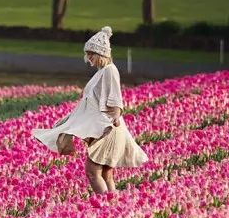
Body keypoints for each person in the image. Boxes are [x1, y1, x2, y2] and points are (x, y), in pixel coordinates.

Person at [32, 26, 149, 194]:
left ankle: (103, 208)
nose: (88, 58)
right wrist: (68, 121)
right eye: (87, 54)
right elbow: (89, 103)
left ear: (100, 54)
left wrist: (116, 115)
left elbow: (116, 98)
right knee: (106, 174)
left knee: (93, 172)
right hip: (104, 127)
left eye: (91, 54)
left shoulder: (109, 71)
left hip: (108, 128)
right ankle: (113, 207)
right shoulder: (102, 72)